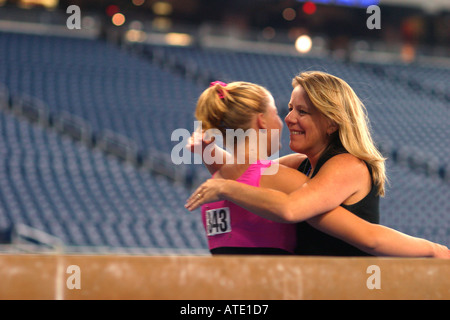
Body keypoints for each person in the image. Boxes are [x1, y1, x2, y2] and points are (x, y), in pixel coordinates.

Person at [186, 74, 449, 258]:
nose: (289, 118)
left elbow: (290, 208)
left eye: (302, 112)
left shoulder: (347, 165)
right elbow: (249, 173)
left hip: (343, 287)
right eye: (288, 109)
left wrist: (436, 251)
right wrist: (209, 151)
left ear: (332, 122)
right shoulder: (298, 166)